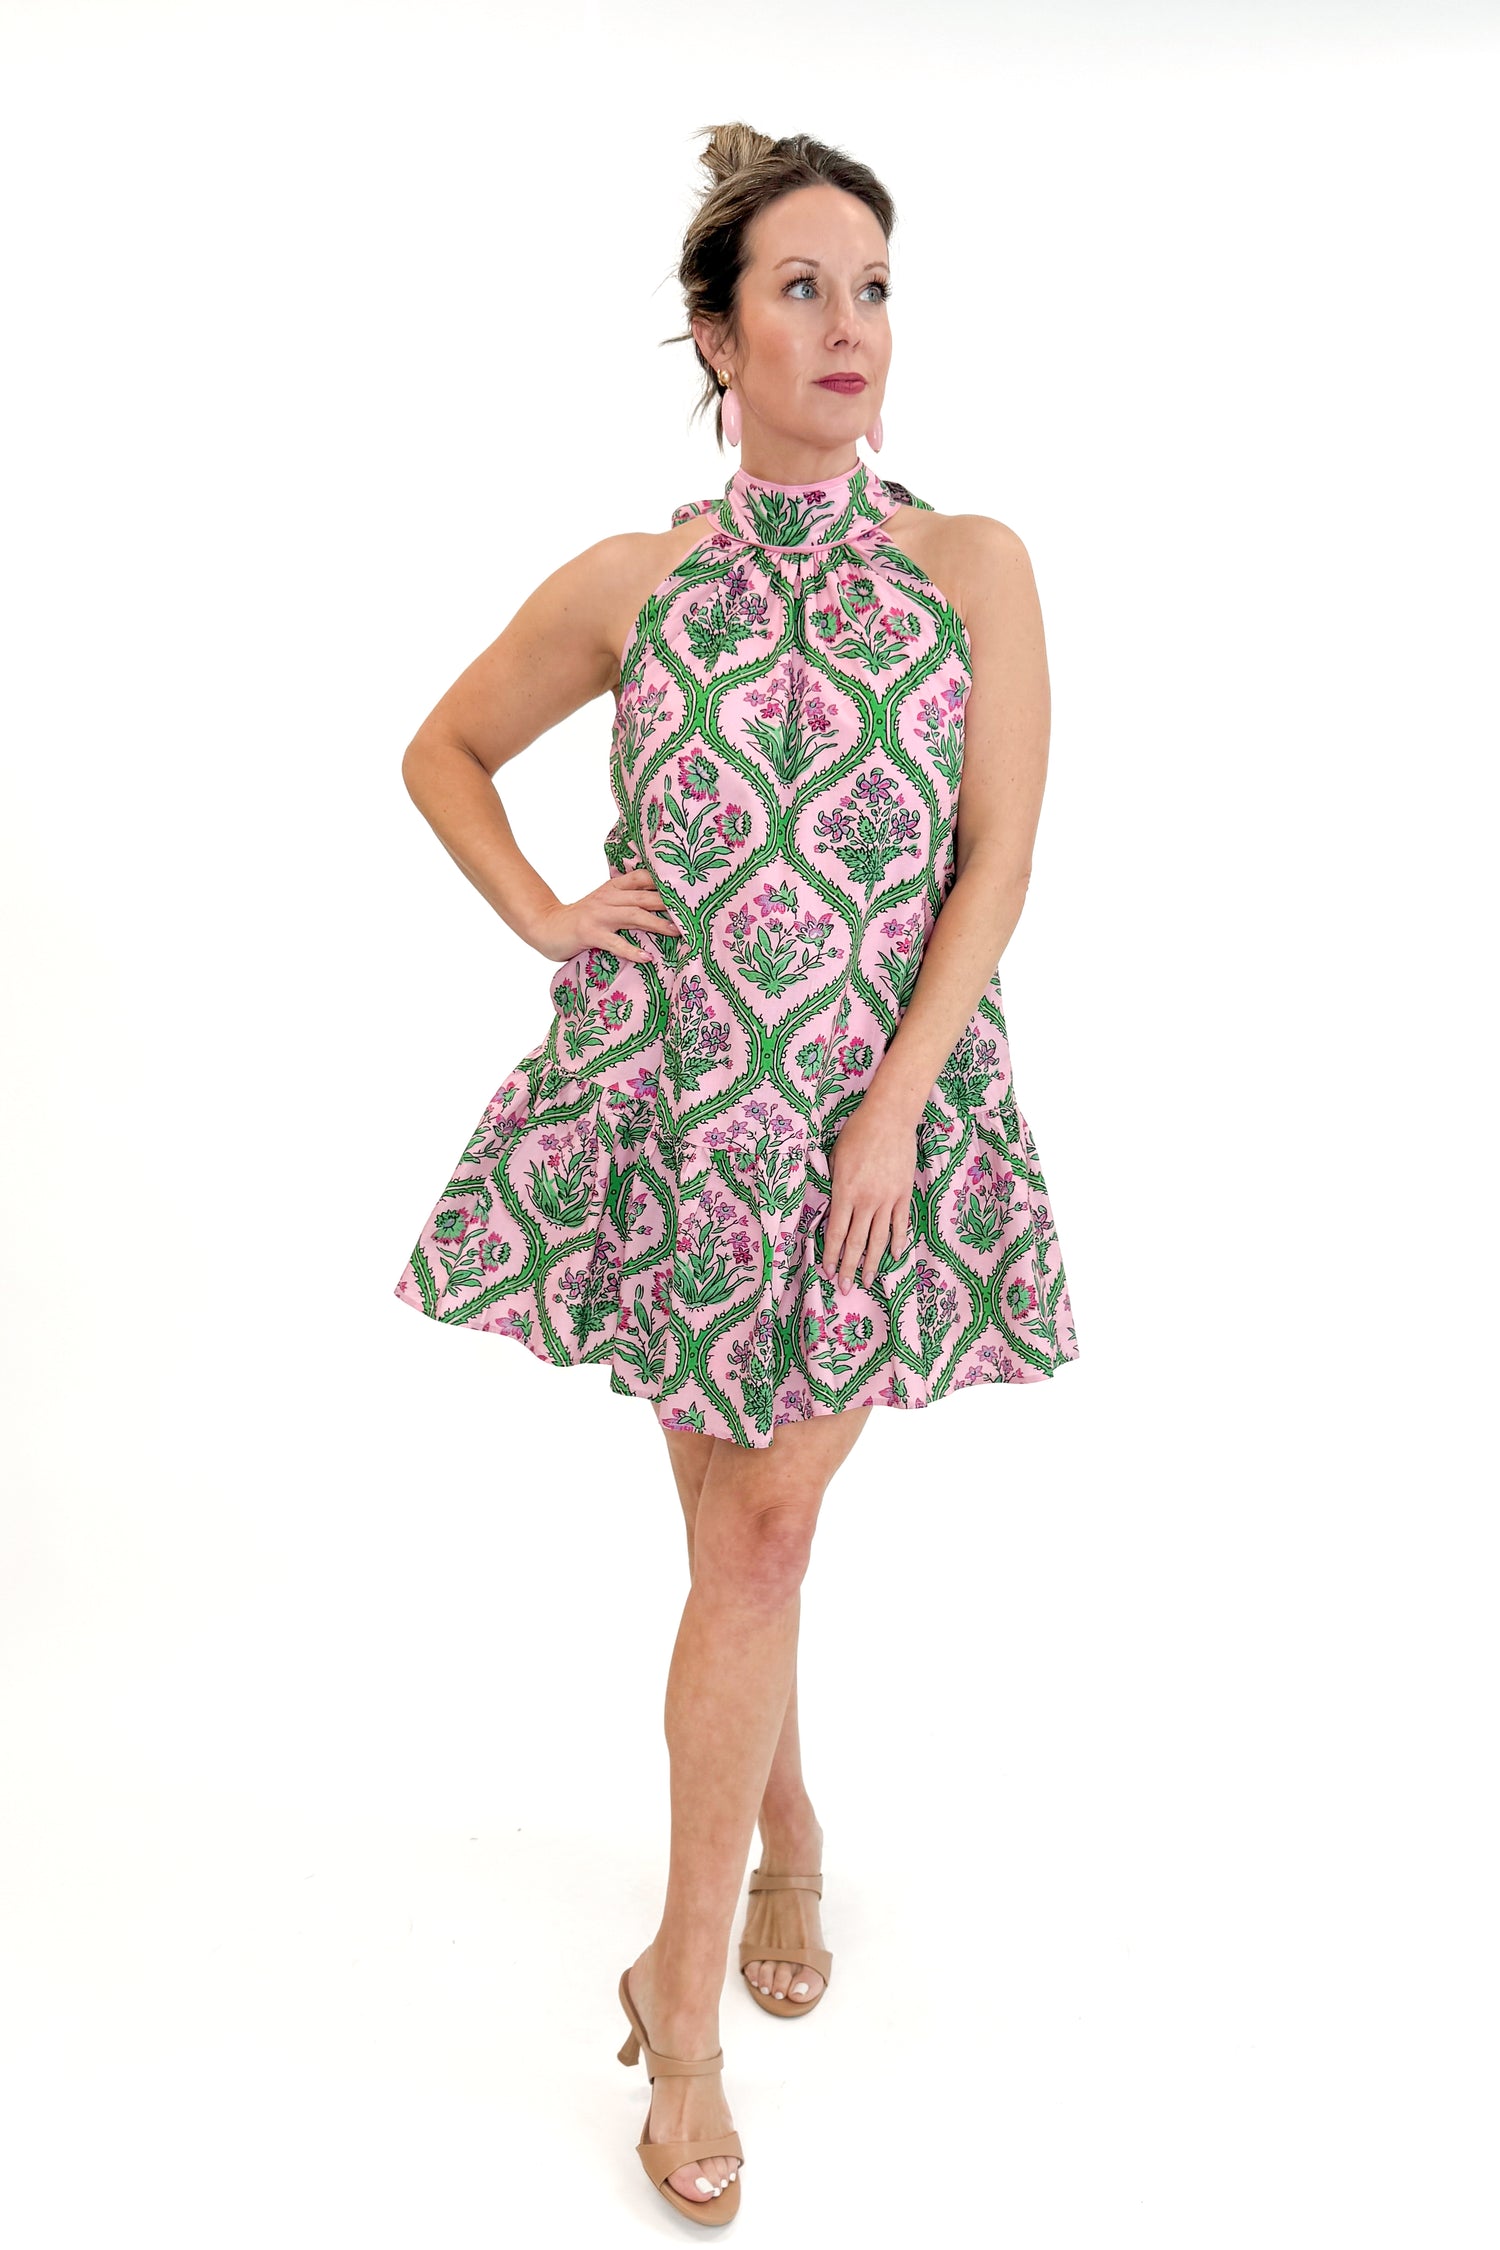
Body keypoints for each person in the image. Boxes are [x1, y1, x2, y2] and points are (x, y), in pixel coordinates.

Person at [392, 122, 1079, 2224]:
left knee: (762, 1533)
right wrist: (540, 912)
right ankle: (782, 1846)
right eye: (799, 287)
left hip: (886, 1118)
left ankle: (675, 1996)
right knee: (736, 1542)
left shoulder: (973, 565)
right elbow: (441, 748)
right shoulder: (636, 583)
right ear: (716, 333)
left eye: (870, 286)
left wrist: (892, 1109)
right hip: (680, 1112)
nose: (847, 325)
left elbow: (999, 865)